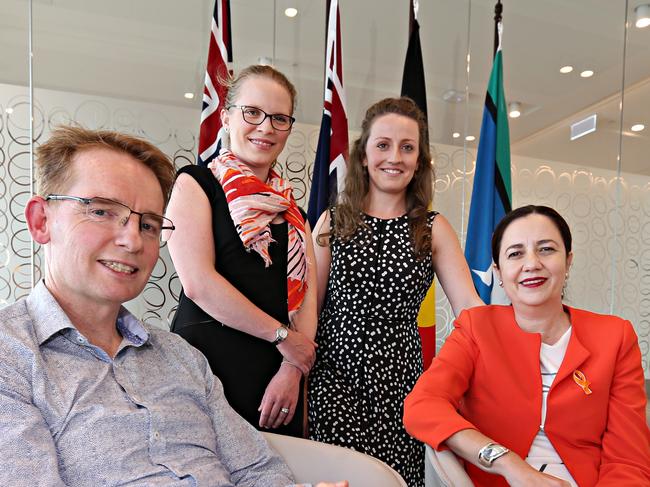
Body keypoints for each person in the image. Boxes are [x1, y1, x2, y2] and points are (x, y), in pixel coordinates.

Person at [0, 125, 345, 487]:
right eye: (101, 211)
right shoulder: (12, 359)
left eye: (148, 224)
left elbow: (257, 470)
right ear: (41, 221)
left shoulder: (181, 357)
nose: (132, 240)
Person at [404, 205, 650, 486]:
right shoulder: (477, 327)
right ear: (498, 270)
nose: (531, 263)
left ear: (568, 261)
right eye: (515, 253)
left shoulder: (615, 336)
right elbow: (423, 406)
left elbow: (627, 461)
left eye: (546, 249)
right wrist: (509, 464)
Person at [308, 97, 483, 486]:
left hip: (403, 388)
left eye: (408, 147)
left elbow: (470, 308)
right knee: (347, 478)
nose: (395, 157)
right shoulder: (332, 222)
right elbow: (309, 312)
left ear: (419, 160)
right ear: (364, 155)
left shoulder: (432, 227)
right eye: (383, 145)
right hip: (336, 382)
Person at [166, 65, 317, 437]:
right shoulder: (195, 183)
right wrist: (284, 339)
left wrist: (293, 369)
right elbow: (198, 284)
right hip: (207, 368)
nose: (266, 128)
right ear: (226, 117)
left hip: (278, 378)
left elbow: (308, 297)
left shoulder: (293, 208)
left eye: (279, 119)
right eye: (253, 113)